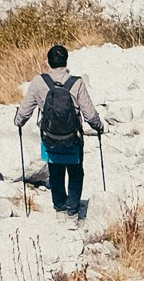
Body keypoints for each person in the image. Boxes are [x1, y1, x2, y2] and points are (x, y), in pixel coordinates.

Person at [14, 42, 103, 215]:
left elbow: (25, 111)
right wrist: (98, 126)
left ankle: (59, 205)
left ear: (48, 62)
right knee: (76, 171)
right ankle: (73, 207)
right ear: (66, 61)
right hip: (73, 136)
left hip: (49, 135)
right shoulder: (76, 83)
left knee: (55, 169)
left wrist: (18, 121)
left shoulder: (38, 82)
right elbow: (89, 113)